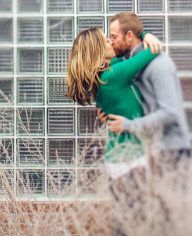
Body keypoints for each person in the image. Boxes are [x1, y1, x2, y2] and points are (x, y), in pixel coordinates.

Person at [65, 27, 163, 233]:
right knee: (135, 224)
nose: (110, 41)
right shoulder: (112, 76)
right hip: (130, 160)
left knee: (128, 222)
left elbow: (120, 59)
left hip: (120, 159)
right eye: (105, 40)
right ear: (97, 50)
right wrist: (147, 36)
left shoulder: (101, 78)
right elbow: (154, 50)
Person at [104, 12, 192, 224]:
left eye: (114, 36)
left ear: (130, 36)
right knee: (145, 216)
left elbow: (171, 113)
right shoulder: (131, 61)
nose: (111, 40)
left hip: (172, 150)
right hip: (151, 149)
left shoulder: (158, 65)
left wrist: (129, 125)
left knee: (166, 219)